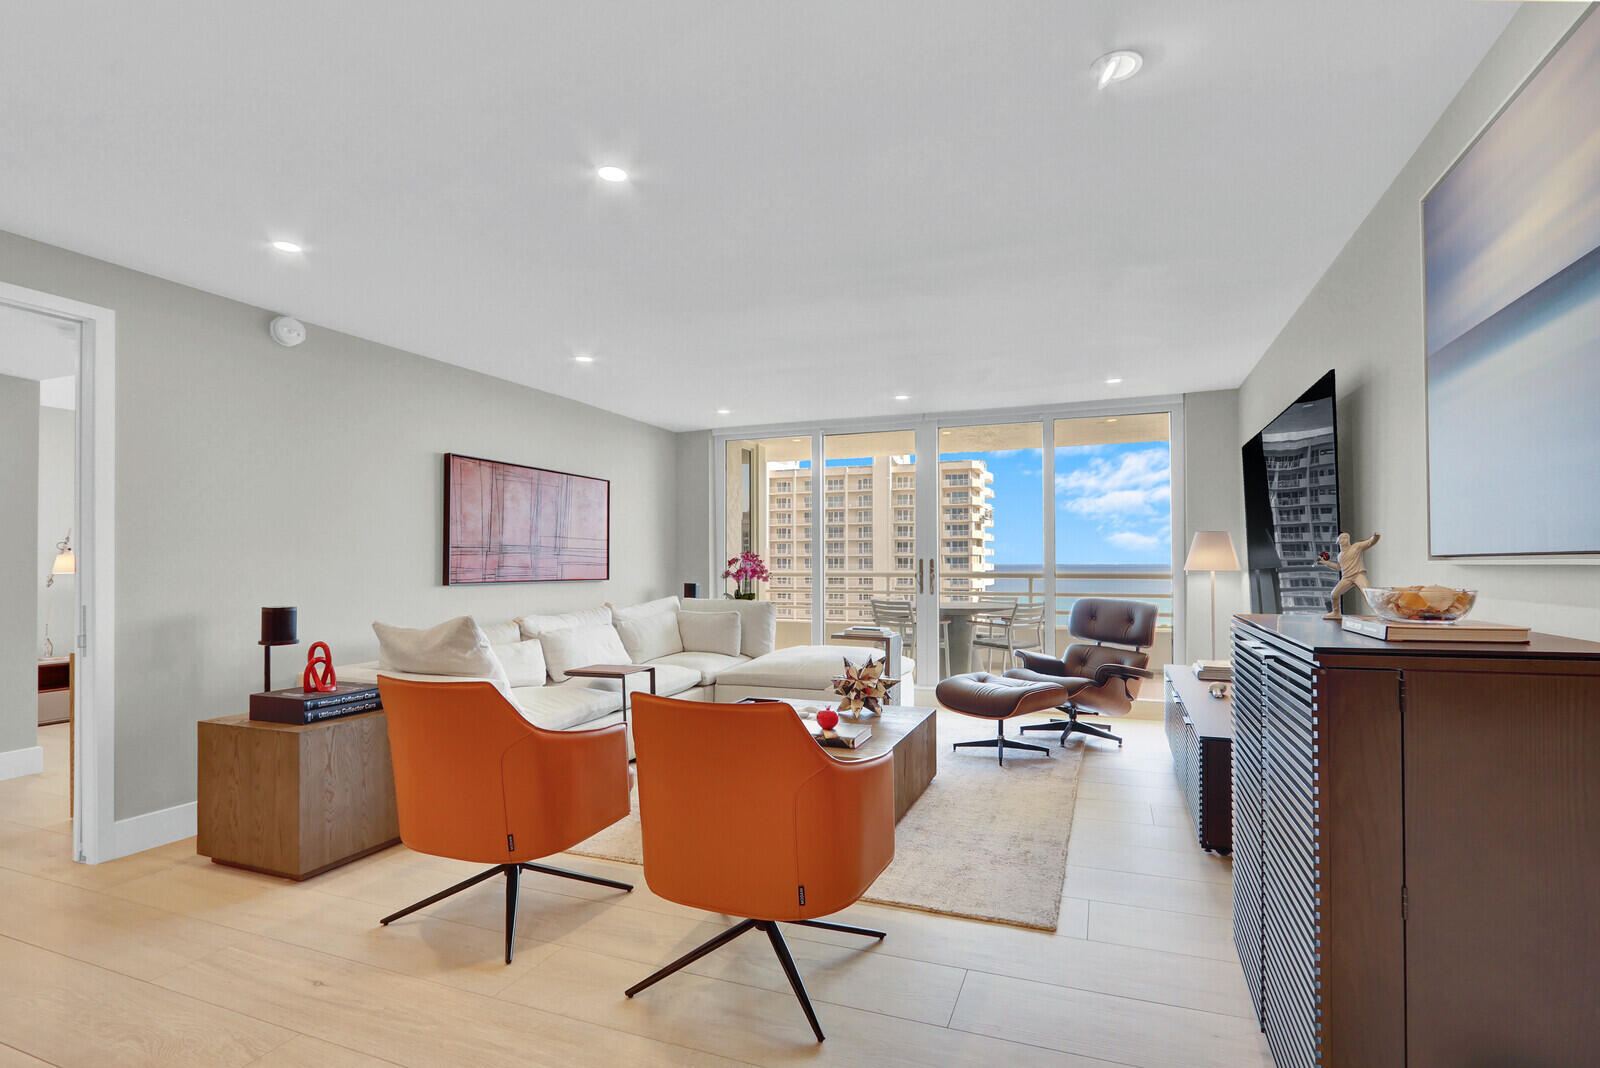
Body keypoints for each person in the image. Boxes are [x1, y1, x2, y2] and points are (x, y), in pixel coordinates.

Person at [1318, 531, 1380, 620]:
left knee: (1368, 593)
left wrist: (1375, 537)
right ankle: (1336, 613)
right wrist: (1325, 562)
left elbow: (1370, 542)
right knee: (1334, 594)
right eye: (1343, 538)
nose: (1346, 539)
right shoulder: (1340, 556)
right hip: (1347, 578)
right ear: (1338, 541)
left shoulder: (1356, 547)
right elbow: (1338, 567)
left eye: (1347, 537)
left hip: (1358, 575)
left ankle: (1379, 613)